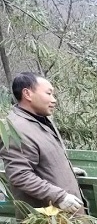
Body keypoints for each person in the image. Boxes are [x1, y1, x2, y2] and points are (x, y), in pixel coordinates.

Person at [0, 72, 86, 216]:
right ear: (27, 94)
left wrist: (64, 170)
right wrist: (59, 197)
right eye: (49, 93)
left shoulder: (42, 121)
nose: (54, 100)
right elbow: (20, 175)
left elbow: (43, 157)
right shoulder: (15, 129)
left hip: (67, 218)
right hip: (47, 222)